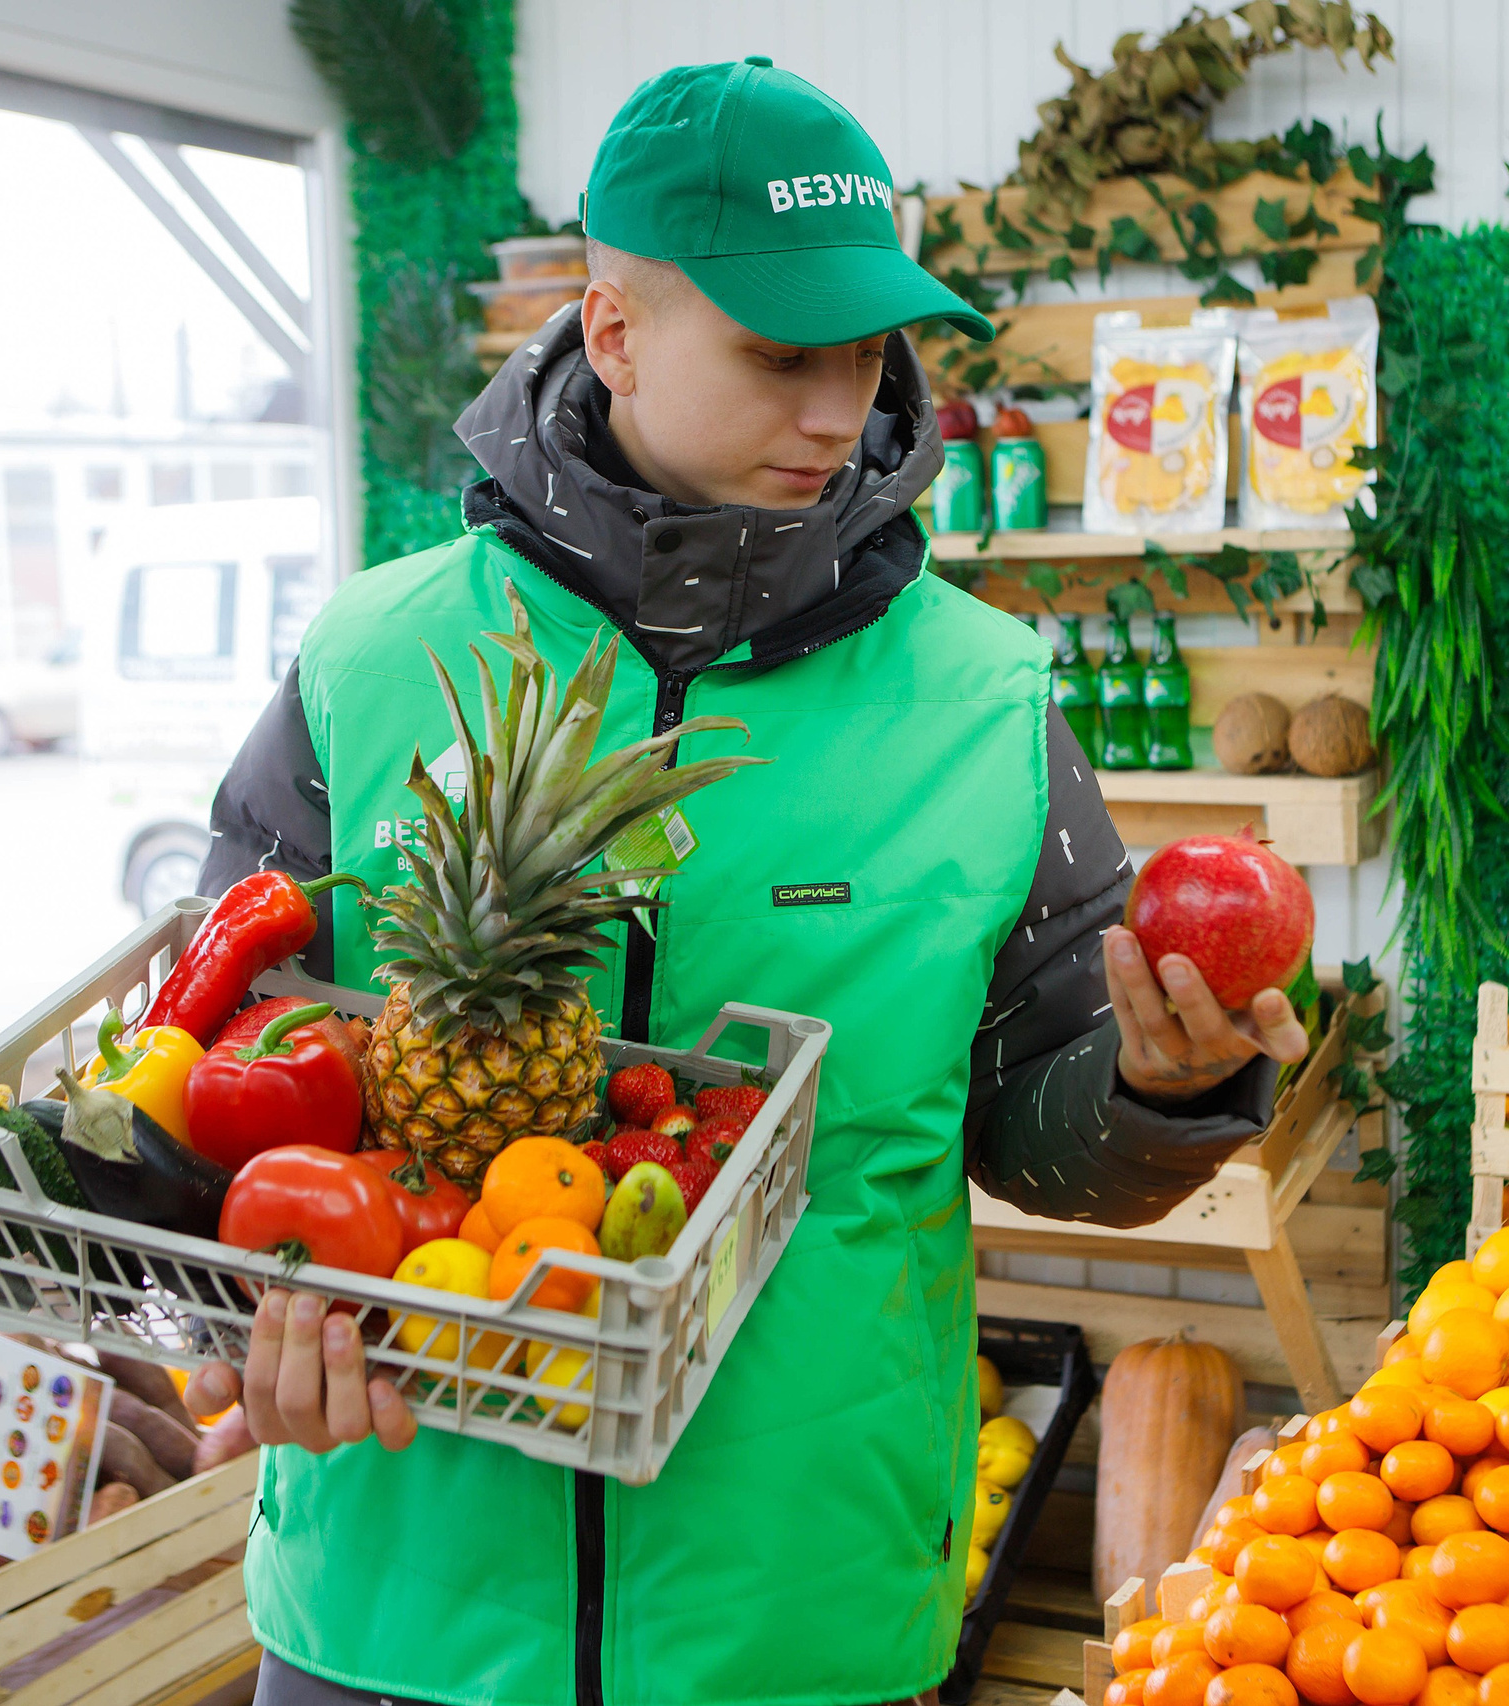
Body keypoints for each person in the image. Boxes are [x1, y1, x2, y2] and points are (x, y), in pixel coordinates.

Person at [183, 56, 1312, 1706]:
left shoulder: (985, 699)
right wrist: (247, 1309)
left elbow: (1042, 1133)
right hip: (394, 1597)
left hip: (800, 1611)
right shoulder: (376, 652)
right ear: (618, 328)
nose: (839, 406)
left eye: (867, 349)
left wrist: (1160, 1087)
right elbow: (224, 1067)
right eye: (783, 351)